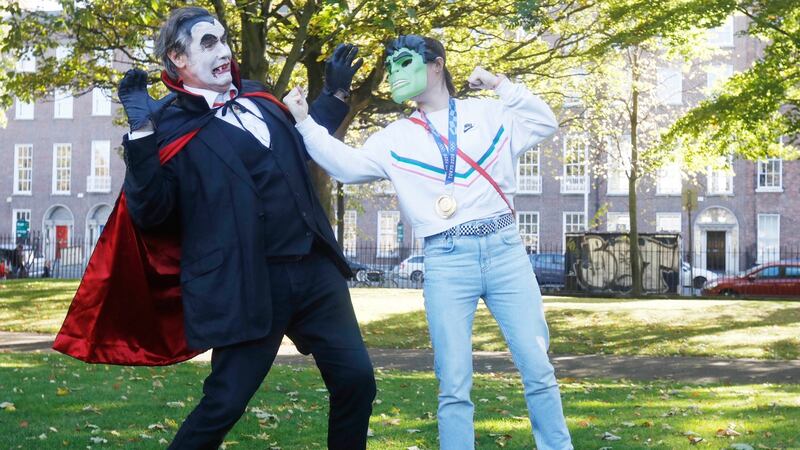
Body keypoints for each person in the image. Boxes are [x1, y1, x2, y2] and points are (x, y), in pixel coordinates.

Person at [284, 35, 573, 450]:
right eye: (391, 67)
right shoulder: (395, 136)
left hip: (505, 251)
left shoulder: (489, 113)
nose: (395, 73)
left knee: (537, 369)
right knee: (454, 383)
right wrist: (304, 120)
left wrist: (499, 84)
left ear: (436, 65)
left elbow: (545, 122)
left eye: (404, 61)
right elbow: (345, 166)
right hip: (446, 258)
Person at [117, 7, 374, 449]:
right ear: (178, 58)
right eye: (208, 43)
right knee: (224, 403)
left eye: (224, 39)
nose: (224, 51)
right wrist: (141, 133)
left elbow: (304, 144)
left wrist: (333, 93)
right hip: (248, 284)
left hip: (314, 271)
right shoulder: (168, 127)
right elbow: (152, 212)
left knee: (357, 381)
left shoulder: (258, 98)